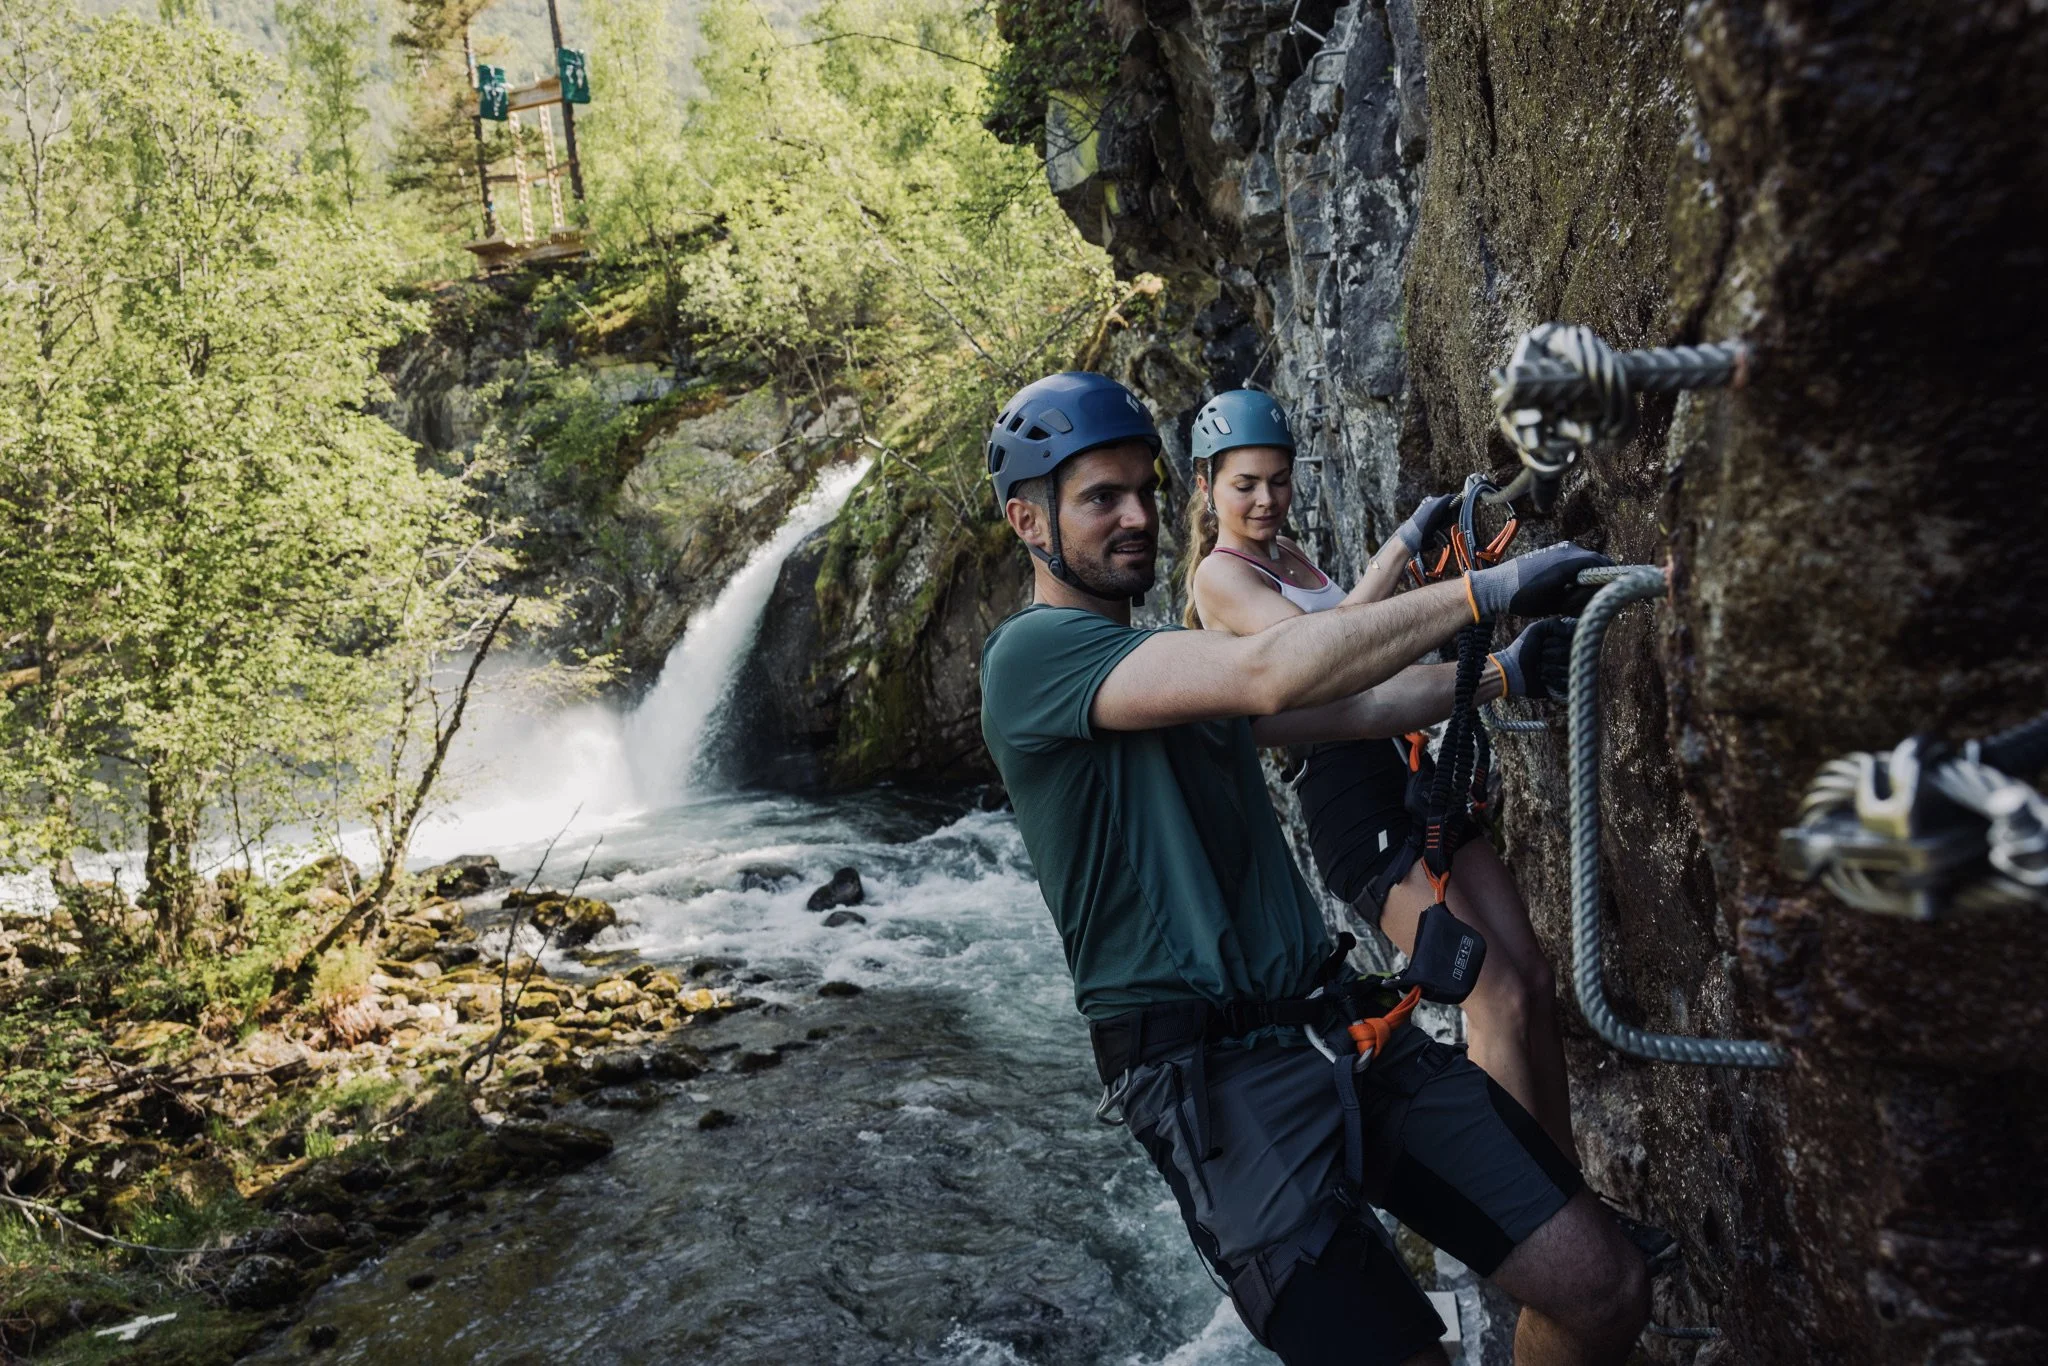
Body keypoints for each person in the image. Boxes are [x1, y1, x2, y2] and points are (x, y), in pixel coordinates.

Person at [977, 370, 1648, 1366]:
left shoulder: (1160, 660)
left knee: (1602, 1284)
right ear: (1027, 522)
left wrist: (1504, 666)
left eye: (1141, 491)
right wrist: (1484, 592)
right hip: (1213, 1091)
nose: (1134, 516)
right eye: (1098, 498)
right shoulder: (1032, 657)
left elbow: (1343, 708)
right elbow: (1269, 666)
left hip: (1337, 1025)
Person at [1181, 389, 1576, 1158]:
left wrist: (1402, 543)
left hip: (1399, 770)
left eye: (1280, 479)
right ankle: (1537, 1226)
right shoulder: (1220, 579)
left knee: (1530, 974)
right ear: (1205, 487)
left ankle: (1578, 1200)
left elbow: (1344, 631)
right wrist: (1498, 668)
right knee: (1491, 995)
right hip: (1352, 798)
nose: (1268, 500)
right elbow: (1337, 678)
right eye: (1245, 485)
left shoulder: (1283, 553)